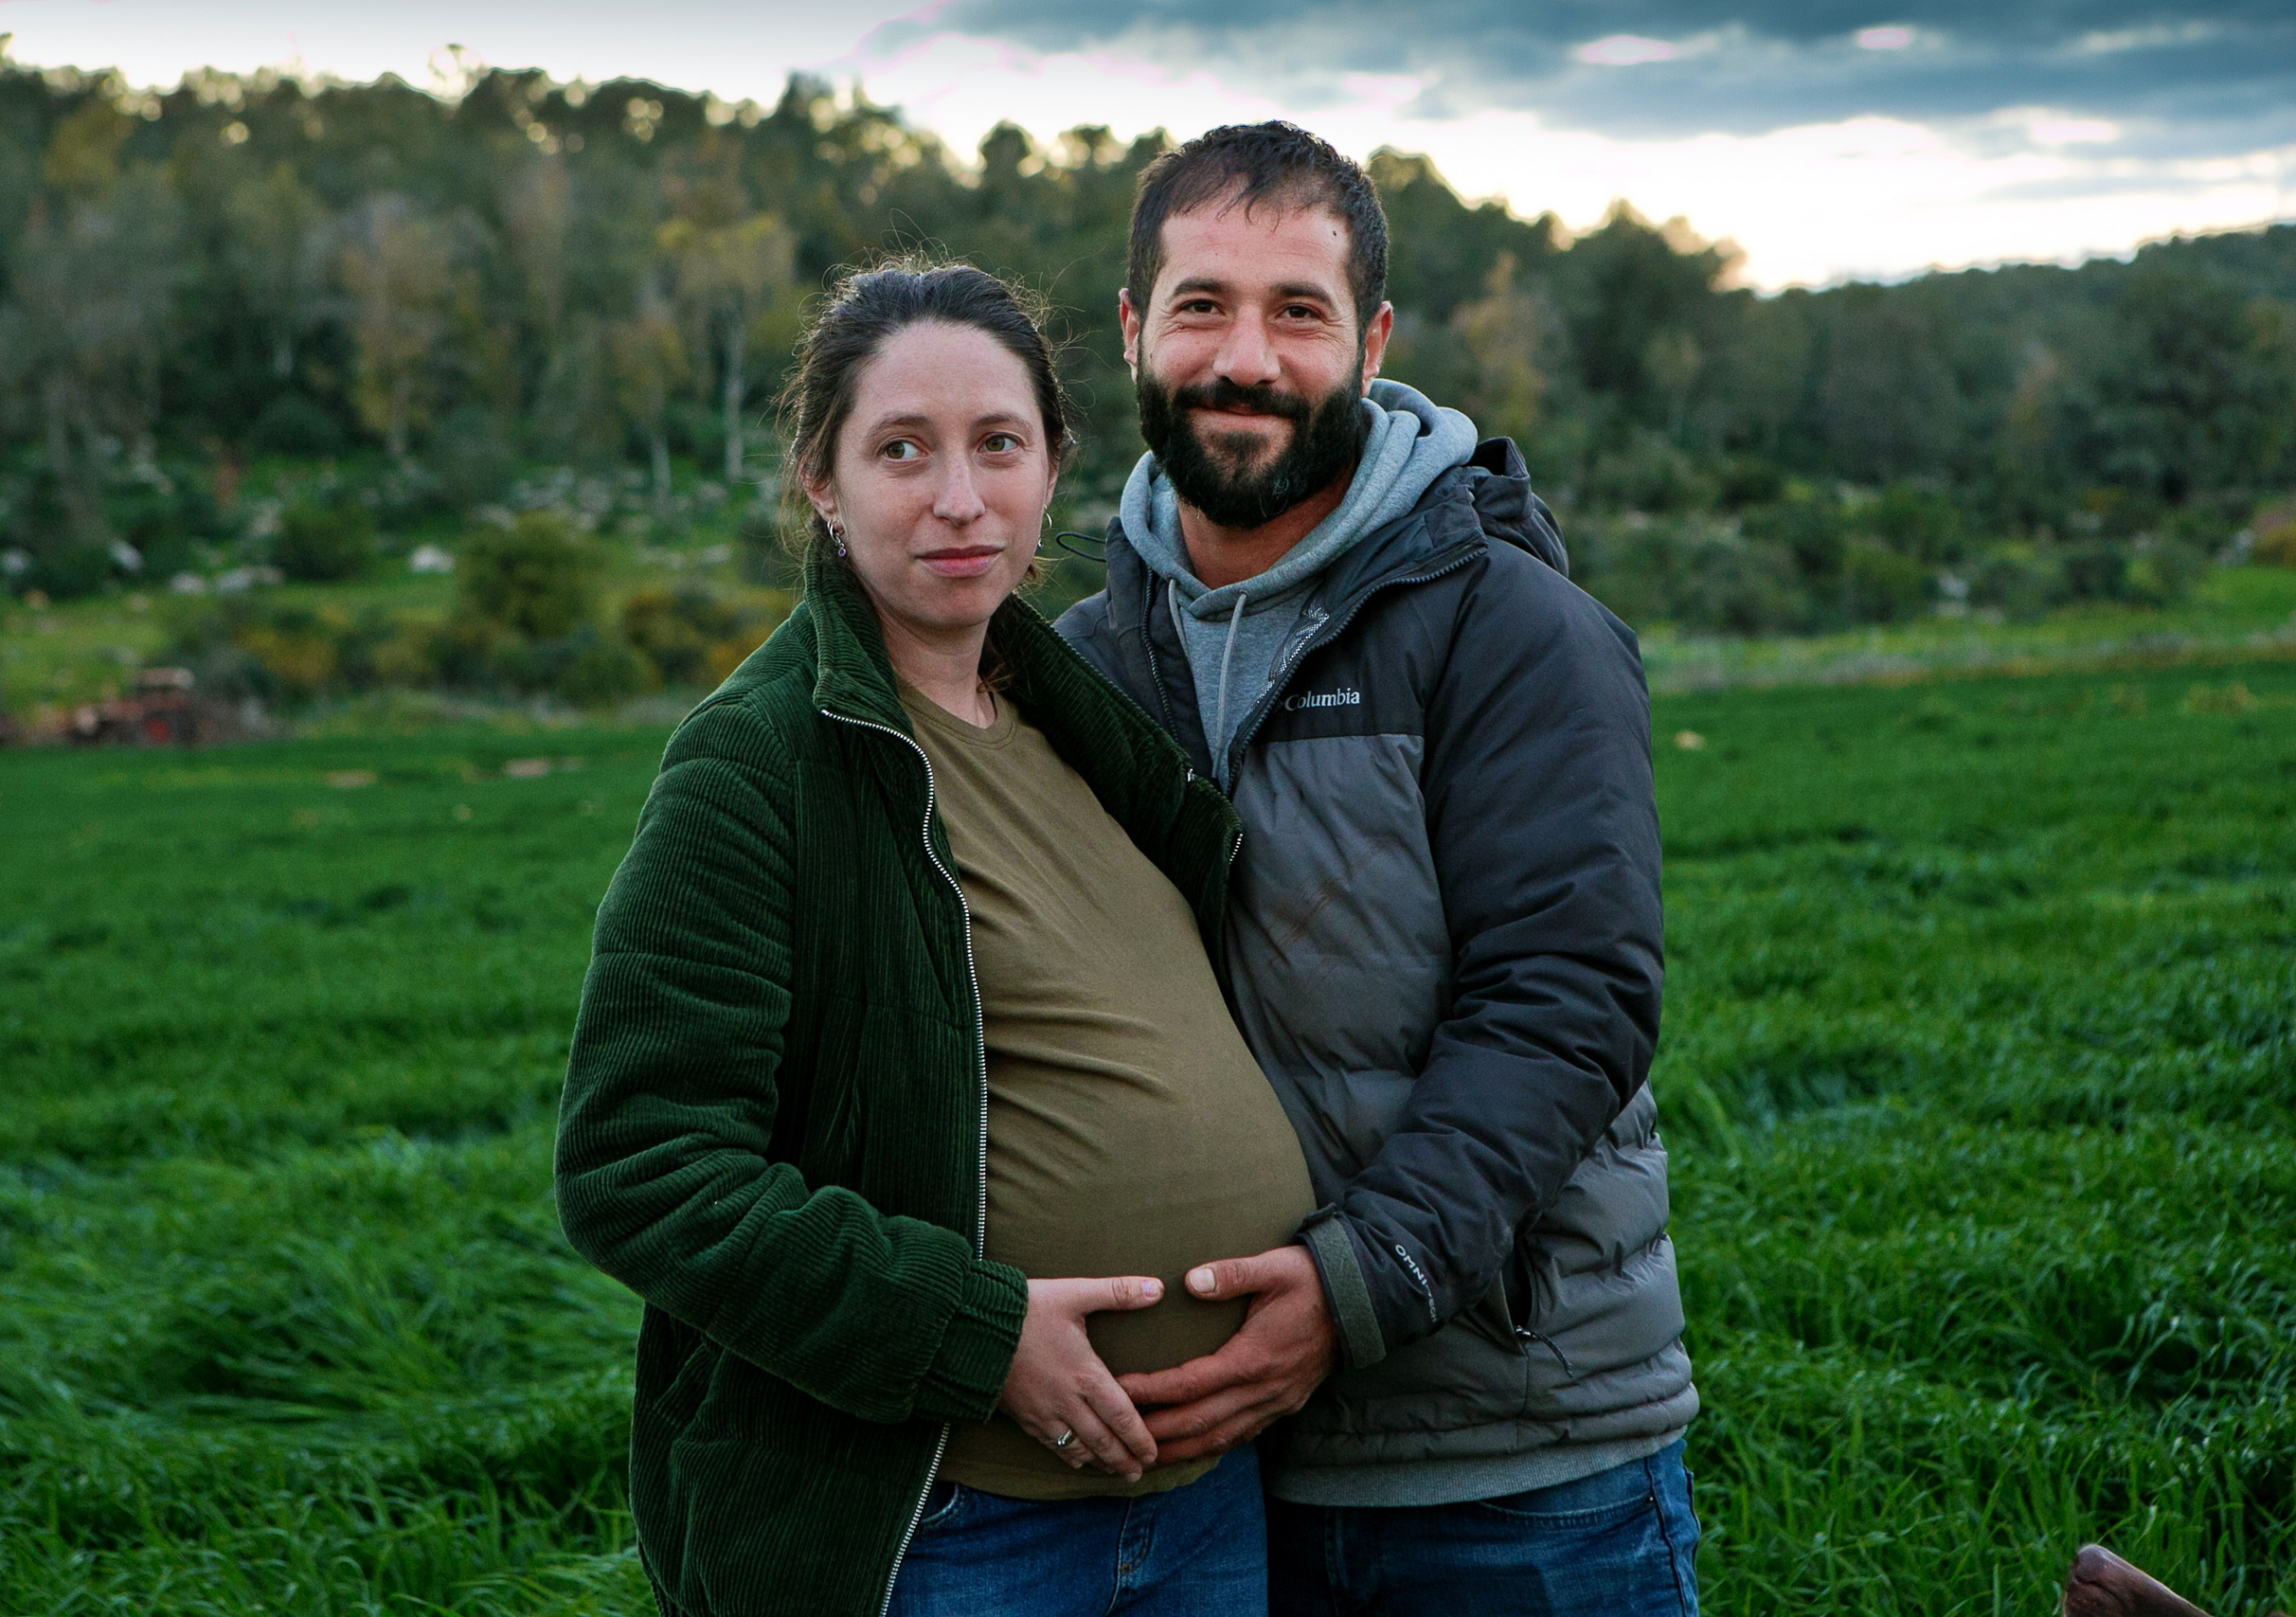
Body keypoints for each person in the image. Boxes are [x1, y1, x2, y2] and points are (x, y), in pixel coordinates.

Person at [553, 261, 1316, 1617]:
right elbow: (638, 1166)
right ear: (822, 483)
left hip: (1201, 1508)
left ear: (1050, 473)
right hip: (953, 1532)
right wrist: (974, 1336)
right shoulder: (762, 763)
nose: (958, 497)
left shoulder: (1089, 729)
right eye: (902, 449)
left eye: (997, 445)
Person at [1056, 123, 1700, 1615]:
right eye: (1204, 305)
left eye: (1300, 312)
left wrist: (1358, 1290)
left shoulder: (1506, 627)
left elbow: (1570, 1000)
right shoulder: (1082, 663)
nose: (1248, 358)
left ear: (1374, 340)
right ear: (1135, 330)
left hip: (1513, 1464)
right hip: (1200, 1481)